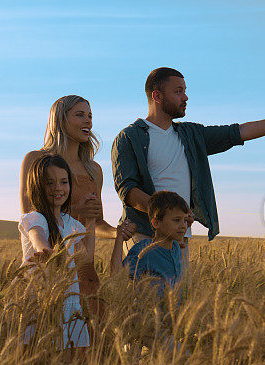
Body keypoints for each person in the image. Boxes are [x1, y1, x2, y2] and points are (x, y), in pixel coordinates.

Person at [112, 67, 265, 263]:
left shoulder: (191, 135)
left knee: (178, 300)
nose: (185, 97)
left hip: (179, 236)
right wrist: (165, 216)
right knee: (143, 298)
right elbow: (128, 190)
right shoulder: (129, 137)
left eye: (185, 91)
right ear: (157, 96)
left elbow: (241, 132)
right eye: (178, 91)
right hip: (143, 233)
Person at [20, 95, 134, 326]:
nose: (88, 121)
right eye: (80, 115)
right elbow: (29, 213)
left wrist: (117, 233)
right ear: (60, 120)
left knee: (91, 343)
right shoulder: (35, 160)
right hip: (50, 262)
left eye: (90, 116)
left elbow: (96, 222)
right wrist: (73, 209)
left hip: (84, 266)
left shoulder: (94, 170)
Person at [18, 153, 93, 350]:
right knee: (36, 361)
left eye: (63, 181)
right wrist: (46, 252)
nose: (58, 188)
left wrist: (91, 219)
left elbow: (86, 260)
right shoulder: (35, 218)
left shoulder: (73, 225)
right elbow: (37, 238)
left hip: (69, 304)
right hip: (40, 304)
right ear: (37, 187)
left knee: (69, 363)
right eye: (49, 183)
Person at [111, 191, 190, 303]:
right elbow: (118, 277)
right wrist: (119, 240)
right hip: (148, 316)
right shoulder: (143, 250)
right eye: (177, 220)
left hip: (170, 317)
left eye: (185, 220)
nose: (183, 225)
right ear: (156, 223)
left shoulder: (176, 247)